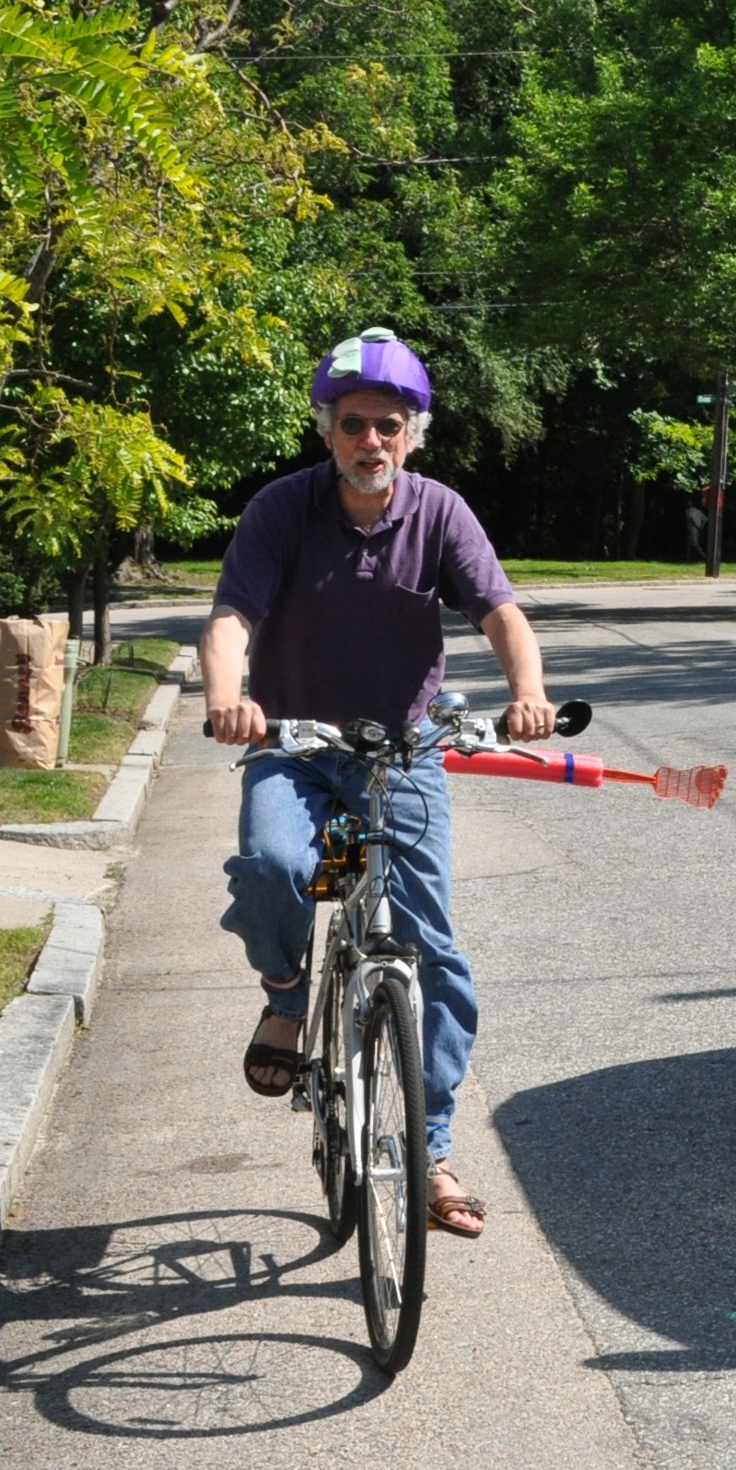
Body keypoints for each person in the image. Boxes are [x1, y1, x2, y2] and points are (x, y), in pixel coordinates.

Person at [200, 327, 557, 1239]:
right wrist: (229, 698)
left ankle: (429, 1148)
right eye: (354, 423)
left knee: (432, 952)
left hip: (399, 757)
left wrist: (528, 693)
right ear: (328, 429)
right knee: (277, 865)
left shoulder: (439, 512)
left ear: (411, 434)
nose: (371, 441)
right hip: (297, 745)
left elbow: (500, 612)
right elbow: (232, 616)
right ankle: (286, 995)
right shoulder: (282, 511)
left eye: (388, 426)